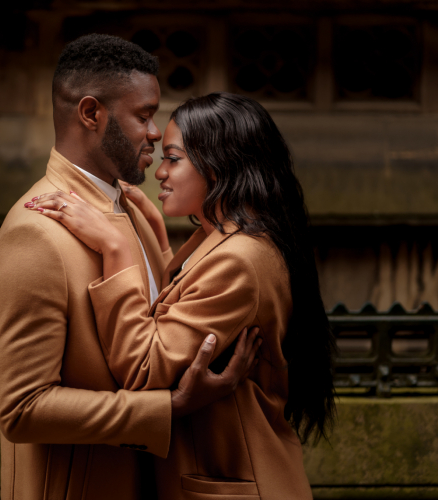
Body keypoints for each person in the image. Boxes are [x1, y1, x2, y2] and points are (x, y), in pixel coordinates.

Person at [0, 36, 260, 500]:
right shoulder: (35, 235)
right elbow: (22, 408)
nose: (156, 132)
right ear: (91, 114)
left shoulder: (132, 210)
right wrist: (169, 408)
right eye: (144, 115)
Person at [27, 92, 337, 500]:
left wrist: (115, 247)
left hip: (239, 484)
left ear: (219, 165)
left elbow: (143, 369)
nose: (159, 171)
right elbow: (188, 305)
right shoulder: (236, 236)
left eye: (173, 159)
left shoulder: (241, 259)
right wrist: (160, 243)